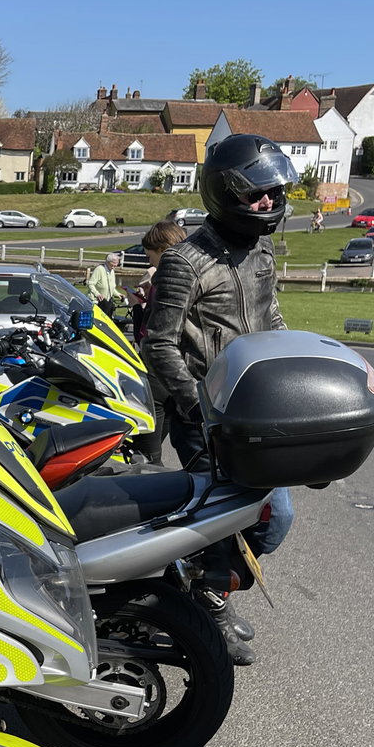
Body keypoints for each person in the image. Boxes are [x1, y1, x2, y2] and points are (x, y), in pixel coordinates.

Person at [142, 133, 301, 664]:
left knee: (270, 519)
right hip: (206, 415)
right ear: (226, 192)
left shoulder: (260, 253)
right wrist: (195, 409)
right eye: (258, 193)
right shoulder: (186, 262)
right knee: (248, 514)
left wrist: (293, 368)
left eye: (274, 193)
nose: (269, 203)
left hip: (255, 411)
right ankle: (200, 602)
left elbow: (269, 318)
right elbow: (159, 343)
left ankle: (203, 587)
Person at [125, 220, 186, 464]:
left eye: (151, 255)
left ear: (163, 250)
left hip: (159, 367)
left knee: (147, 451)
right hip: (182, 366)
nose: (149, 261)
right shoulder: (189, 275)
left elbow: (149, 331)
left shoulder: (164, 282)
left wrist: (136, 308)